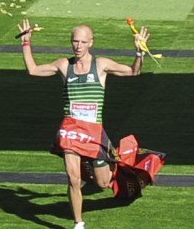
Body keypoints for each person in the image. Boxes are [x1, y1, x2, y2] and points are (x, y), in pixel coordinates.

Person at [17, 19, 148, 229]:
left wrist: (139, 52)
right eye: (75, 41)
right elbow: (33, 70)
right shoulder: (63, 65)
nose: (78, 46)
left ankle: (121, 172)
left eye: (83, 42)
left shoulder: (101, 65)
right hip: (70, 130)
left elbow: (134, 71)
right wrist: (26, 43)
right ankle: (78, 223)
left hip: (94, 131)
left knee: (102, 183)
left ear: (91, 43)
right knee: (73, 179)